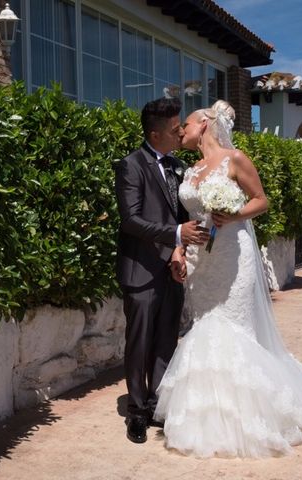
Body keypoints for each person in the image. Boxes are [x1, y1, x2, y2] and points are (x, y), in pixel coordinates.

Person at [153, 99, 302, 457]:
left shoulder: (235, 160)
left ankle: (251, 419)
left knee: (231, 330)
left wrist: (233, 213)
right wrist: (180, 250)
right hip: (201, 262)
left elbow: (261, 200)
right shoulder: (189, 171)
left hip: (233, 258)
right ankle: (208, 417)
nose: (180, 133)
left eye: (185, 127)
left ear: (204, 125)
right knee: (204, 326)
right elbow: (183, 217)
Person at [114, 97, 210, 444]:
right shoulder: (131, 166)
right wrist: (175, 234)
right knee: (139, 343)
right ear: (155, 134)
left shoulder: (178, 166)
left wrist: (179, 250)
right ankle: (136, 412)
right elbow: (132, 220)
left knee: (166, 340)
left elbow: (179, 214)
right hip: (140, 271)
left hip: (172, 267)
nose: (181, 131)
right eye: (174, 129)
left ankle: (157, 405)